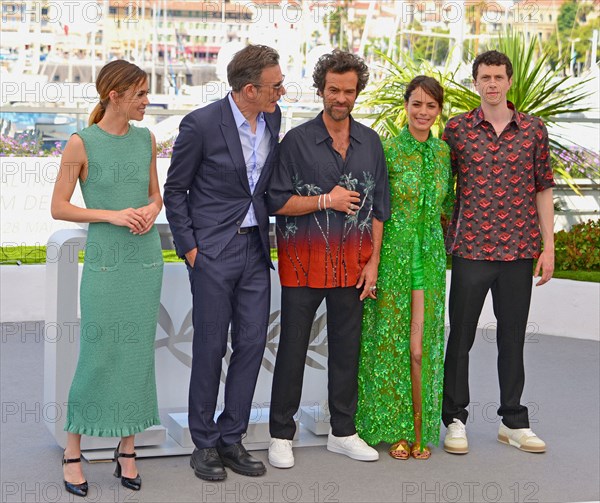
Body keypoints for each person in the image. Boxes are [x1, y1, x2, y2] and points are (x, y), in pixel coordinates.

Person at [163, 44, 285, 481]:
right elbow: (175, 191)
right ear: (249, 88)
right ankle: (204, 444)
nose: (281, 91)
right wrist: (191, 249)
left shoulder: (273, 118)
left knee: (252, 344)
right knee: (210, 348)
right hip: (212, 252)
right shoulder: (200, 124)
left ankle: (231, 438)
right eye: (274, 86)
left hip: (256, 250)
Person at [267, 49, 390, 469]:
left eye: (349, 91)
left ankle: (344, 432)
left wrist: (372, 265)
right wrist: (327, 200)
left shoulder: (371, 142)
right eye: (334, 90)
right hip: (303, 267)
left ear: (358, 93)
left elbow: (379, 210)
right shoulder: (296, 142)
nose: (341, 98)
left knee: (347, 350)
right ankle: (281, 434)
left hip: (354, 268)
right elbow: (276, 202)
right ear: (321, 90)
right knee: (292, 349)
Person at [51, 60, 163, 497]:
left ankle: (128, 447)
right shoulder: (81, 143)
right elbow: (60, 207)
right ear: (114, 95)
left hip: (144, 259)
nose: (146, 101)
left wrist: (152, 209)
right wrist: (111, 215)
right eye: (139, 94)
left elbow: (155, 194)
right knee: (97, 355)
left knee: (137, 356)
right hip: (105, 262)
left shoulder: (145, 139)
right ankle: (72, 449)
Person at [442, 50, 554, 454]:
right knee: (461, 339)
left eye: (498, 77)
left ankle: (514, 422)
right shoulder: (456, 130)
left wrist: (549, 246)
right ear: (475, 82)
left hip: (520, 251)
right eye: (484, 77)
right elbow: (442, 190)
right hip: (470, 248)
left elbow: (544, 188)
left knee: (513, 339)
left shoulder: (534, 130)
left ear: (509, 82)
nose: (492, 83)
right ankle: (455, 419)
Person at [355, 76, 453, 460]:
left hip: (429, 260)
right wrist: (374, 260)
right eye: (417, 104)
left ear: (439, 110)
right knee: (392, 343)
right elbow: (376, 210)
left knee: (423, 345)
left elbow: (447, 207)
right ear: (406, 106)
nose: (423, 112)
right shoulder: (389, 151)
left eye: (431, 106)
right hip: (394, 255)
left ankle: (421, 428)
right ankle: (393, 429)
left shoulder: (445, 154)